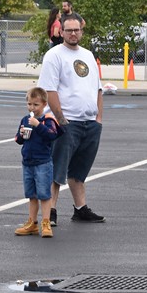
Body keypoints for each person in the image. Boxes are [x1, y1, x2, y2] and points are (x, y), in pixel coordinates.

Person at [38, 13, 105, 225]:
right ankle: (51, 212)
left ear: (81, 32)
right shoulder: (54, 55)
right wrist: (60, 119)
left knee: (79, 170)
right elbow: (49, 89)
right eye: (69, 30)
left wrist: (98, 119)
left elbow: (98, 88)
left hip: (89, 123)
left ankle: (80, 208)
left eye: (77, 30)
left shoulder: (87, 55)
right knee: (57, 169)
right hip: (67, 122)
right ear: (61, 32)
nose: (73, 33)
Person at [14, 87, 63, 238]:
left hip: (43, 162)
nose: (32, 108)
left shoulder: (47, 120)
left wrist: (38, 125)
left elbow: (52, 135)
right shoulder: (25, 119)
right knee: (32, 194)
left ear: (44, 104)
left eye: (35, 105)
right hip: (28, 162)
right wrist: (21, 135)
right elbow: (18, 139)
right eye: (29, 104)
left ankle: (46, 222)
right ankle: (32, 223)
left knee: (44, 194)